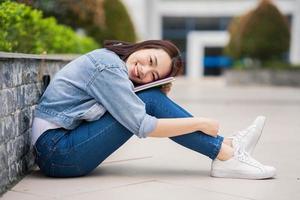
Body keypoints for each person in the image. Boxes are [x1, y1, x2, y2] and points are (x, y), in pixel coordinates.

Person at [31, 40, 276, 179]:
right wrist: (200, 122)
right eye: (150, 60)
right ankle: (226, 154)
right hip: (56, 153)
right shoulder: (107, 66)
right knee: (150, 101)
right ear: (143, 47)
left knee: (150, 97)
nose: (144, 71)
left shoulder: (114, 66)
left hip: (59, 147)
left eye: (153, 75)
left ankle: (229, 147)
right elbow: (144, 126)